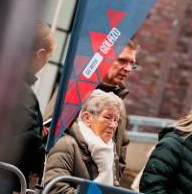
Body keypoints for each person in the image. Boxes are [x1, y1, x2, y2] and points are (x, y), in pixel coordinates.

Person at [45, 40, 139, 181]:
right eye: (122, 61)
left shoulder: (119, 102)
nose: (128, 68)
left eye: (132, 64)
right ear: (103, 59)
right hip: (68, 183)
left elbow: (121, 148)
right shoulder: (75, 89)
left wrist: (112, 180)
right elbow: (48, 133)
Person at [0, 22, 56, 191]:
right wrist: (42, 152)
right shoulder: (22, 92)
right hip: (1, 178)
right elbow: (26, 141)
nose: (45, 64)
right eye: (47, 58)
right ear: (40, 54)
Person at [43, 90, 125, 194]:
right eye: (107, 117)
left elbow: (114, 187)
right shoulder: (66, 145)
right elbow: (55, 190)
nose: (113, 125)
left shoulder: (109, 150)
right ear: (87, 118)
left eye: (116, 120)